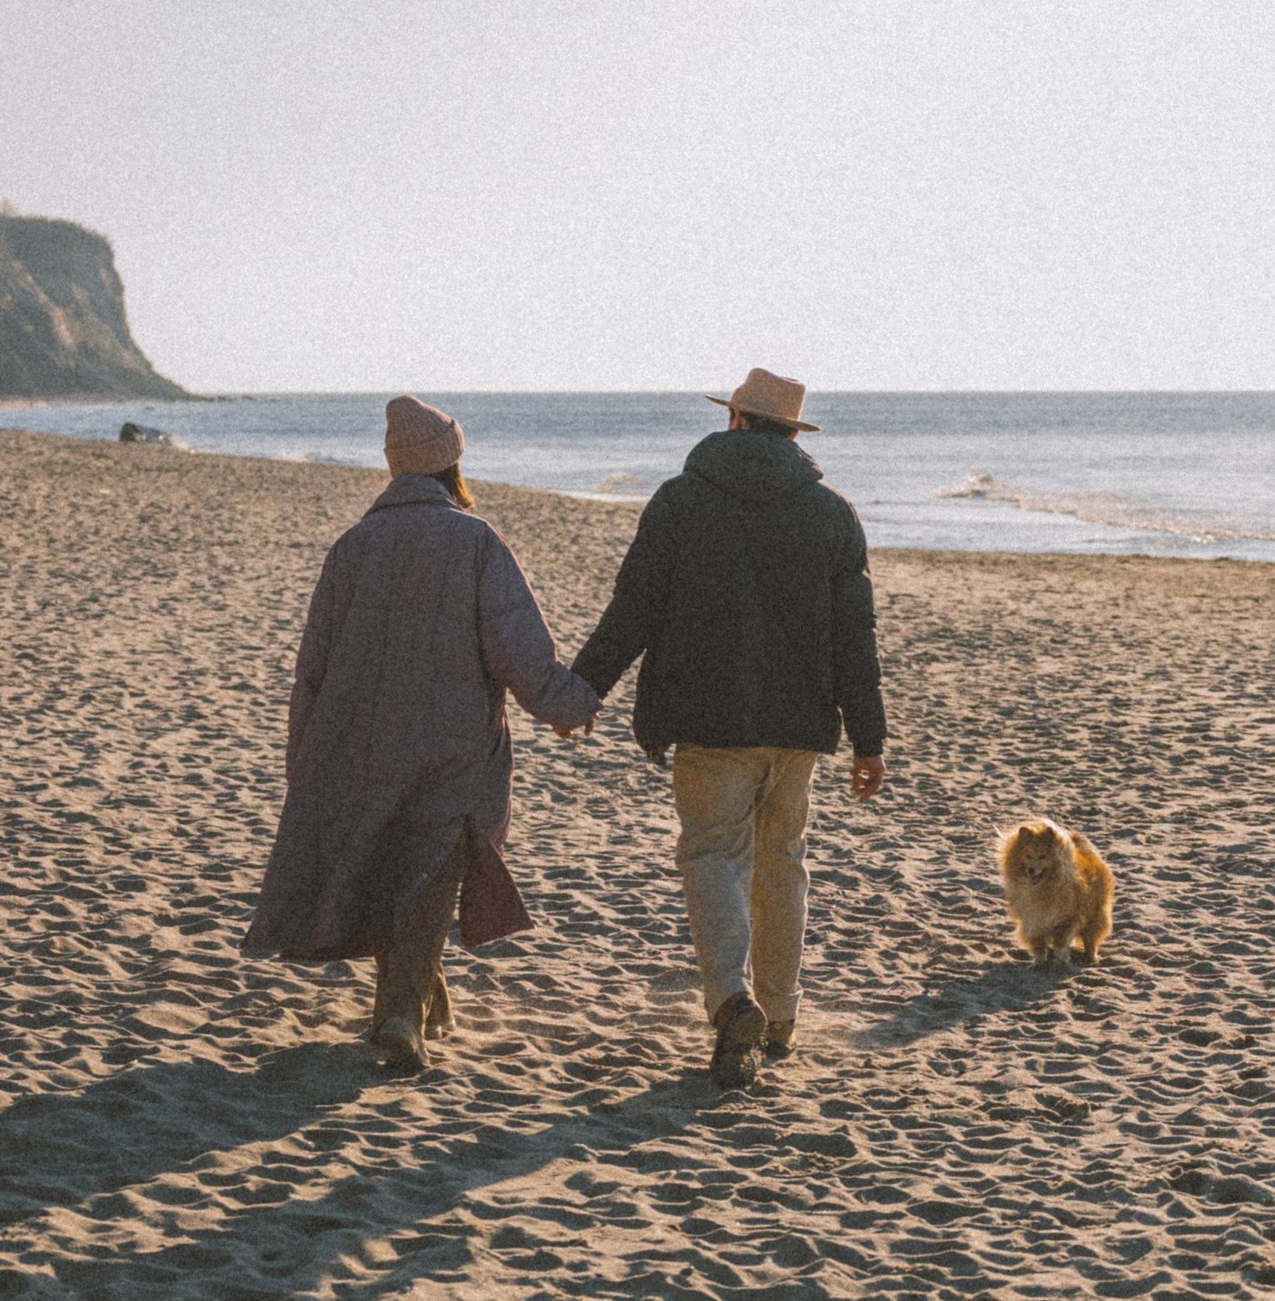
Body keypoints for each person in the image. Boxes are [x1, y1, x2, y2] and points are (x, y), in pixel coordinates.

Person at [246, 396, 597, 1074]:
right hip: (451, 748)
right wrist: (567, 704)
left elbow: (310, 670)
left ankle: (418, 1001)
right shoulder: (476, 542)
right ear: (451, 463)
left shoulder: (350, 548)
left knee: (384, 864)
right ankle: (401, 1015)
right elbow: (520, 651)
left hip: (354, 746)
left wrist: (305, 763)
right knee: (430, 868)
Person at [571, 368, 884, 1090]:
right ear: (791, 432)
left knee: (714, 857)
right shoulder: (832, 513)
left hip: (708, 718)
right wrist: (869, 739)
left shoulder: (681, 500)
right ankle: (777, 1014)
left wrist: (583, 690)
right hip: (800, 725)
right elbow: (854, 638)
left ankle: (730, 1000)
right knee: (784, 861)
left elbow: (634, 607)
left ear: (736, 419)